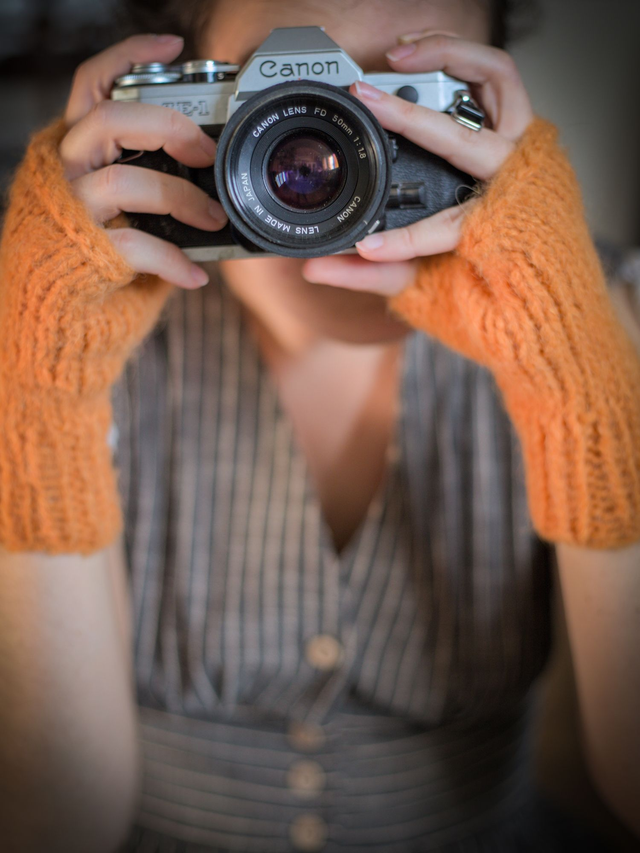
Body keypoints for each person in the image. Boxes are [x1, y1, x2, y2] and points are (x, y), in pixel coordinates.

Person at [0, 1, 639, 851]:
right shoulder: (55, 328)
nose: (348, 168)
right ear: (191, 107)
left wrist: (580, 376)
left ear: (488, 111)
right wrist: (35, 394)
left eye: (405, 100)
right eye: (289, 100)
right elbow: (54, 827)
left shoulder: (605, 321)